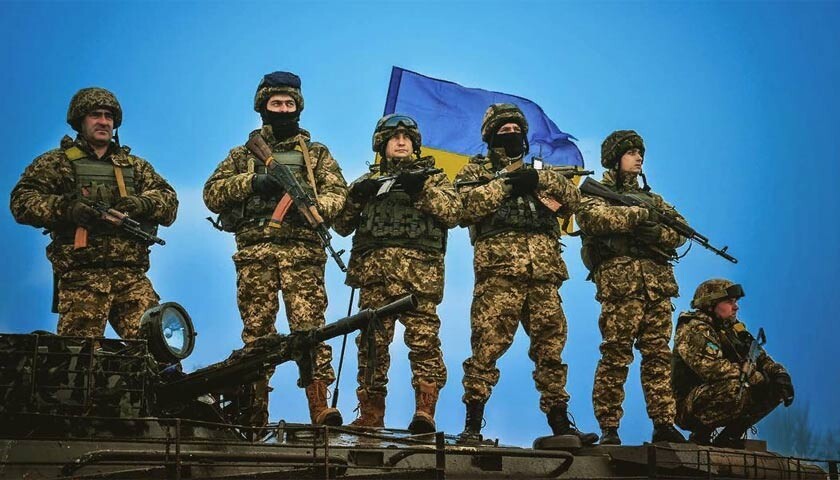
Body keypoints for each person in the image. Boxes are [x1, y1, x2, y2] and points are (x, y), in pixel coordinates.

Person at [203, 71, 348, 428]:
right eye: (276, 103)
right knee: (257, 337)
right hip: (256, 256)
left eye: (289, 104)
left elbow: (338, 196)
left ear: (299, 107)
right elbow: (212, 193)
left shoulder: (317, 155)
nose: (283, 110)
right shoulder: (242, 155)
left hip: (303, 257)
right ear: (263, 107)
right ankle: (253, 414)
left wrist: (310, 204)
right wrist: (254, 182)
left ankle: (319, 408)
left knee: (312, 332)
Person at [455, 103, 597, 445]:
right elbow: (462, 208)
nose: (512, 134)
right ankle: (472, 426)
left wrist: (539, 178)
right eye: (504, 130)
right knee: (486, 348)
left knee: (551, 350)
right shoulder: (475, 171)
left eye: (516, 129)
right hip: (499, 274)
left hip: (544, 275)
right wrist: (505, 185)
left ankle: (560, 423)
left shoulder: (542, 171)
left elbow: (574, 201)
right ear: (491, 137)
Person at [10, 87, 177, 339]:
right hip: (81, 277)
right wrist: (66, 209)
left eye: (109, 116)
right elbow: (22, 201)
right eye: (95, 115)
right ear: (80, 120)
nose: (103, 122)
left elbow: (169, 201)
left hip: (130, 276)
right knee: (79, 355)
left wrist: (141, 204)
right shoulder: (57, 163)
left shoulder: (134, 166)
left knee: (156, 347)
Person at [333, 114, 460, 433]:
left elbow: (454, 213)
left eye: (406, 137)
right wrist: (356, 197)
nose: (401, 142)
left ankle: (425, 411)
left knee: (424, 344)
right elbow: (341, 225)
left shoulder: (434, 179)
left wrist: (421, 191)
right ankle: (370, 414)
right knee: (371, 347)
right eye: (394, 137)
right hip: (375, 278)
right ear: (382, 144)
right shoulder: (366, 181)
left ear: (415, 144)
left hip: (420, 279)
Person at [577, 130, 687, 445]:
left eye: (640, 153)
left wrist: (658, 233)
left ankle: (664, 423)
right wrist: (638, 216)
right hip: (621, 286)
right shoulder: (596, 194)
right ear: (614, 158)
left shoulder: (654, 199)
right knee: (616, 354)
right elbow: (594, 219)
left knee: (658, 356)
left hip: (657, 286)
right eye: (630, 153)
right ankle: (609, 426)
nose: (638, 158)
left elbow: (680, 231)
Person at [673, 279, 794, 447]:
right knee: (736, 386)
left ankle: (729, 437)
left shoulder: (733, 329)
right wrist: (755, 377)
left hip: (715, 393)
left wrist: (779, 374)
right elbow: (711, 368)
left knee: (775, 387)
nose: (736, 307)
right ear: (711, 304)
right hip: (687, 405)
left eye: (735, 302)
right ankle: (701, 434)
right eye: (729, 302)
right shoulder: (694, 329)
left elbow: (761, 357)